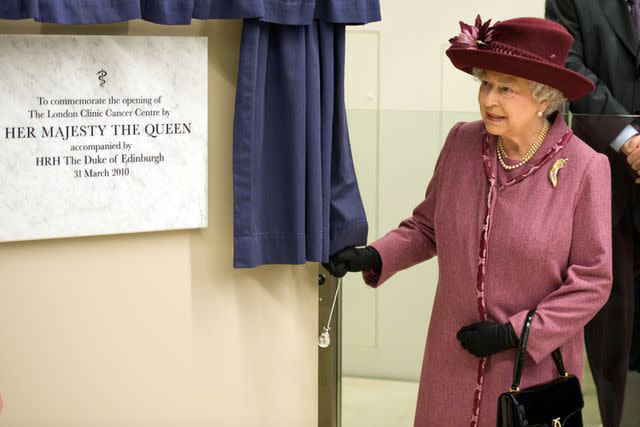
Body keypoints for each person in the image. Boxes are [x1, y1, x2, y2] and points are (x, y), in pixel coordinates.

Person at [324, 16, 613, 427]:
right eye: (485, 84)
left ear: (544, 99)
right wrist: (373, 255)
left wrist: (517, 333)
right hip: (452, 361)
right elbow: (427, 227)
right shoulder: (461, 142)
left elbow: (593, 280)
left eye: (506, 89)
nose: (489, 100)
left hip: (530, 374)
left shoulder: (585, 169)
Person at [545, 2, 640, 426]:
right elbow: (569, 66)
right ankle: (614, 418)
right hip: (604, 173)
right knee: (611, 317)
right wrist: (629, 139)